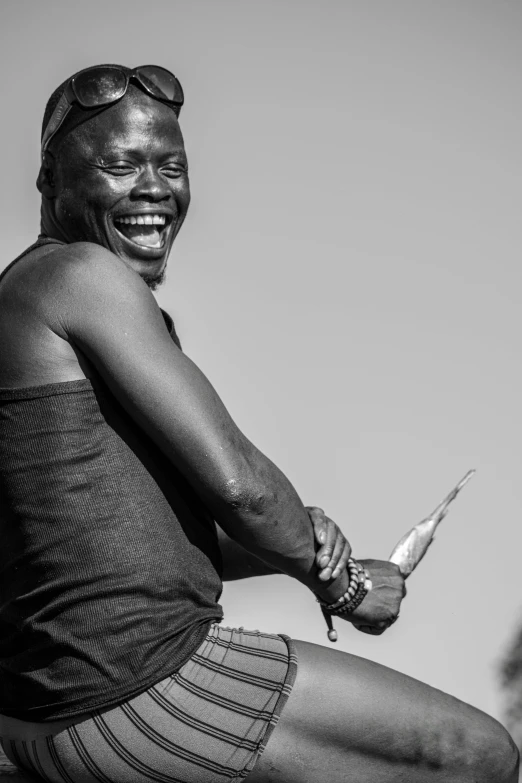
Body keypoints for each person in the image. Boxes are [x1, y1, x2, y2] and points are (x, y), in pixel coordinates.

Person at [0, 64, 517, 783]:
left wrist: (304, 544)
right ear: (49, 181)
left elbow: (174, 522)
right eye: (120, 166)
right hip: (139, 689)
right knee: (476, 754)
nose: (154, 189)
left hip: (40, 717)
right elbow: (240, 485)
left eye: (171, 167)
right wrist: (343, 586)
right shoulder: (81, 276)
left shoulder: (32, 294)